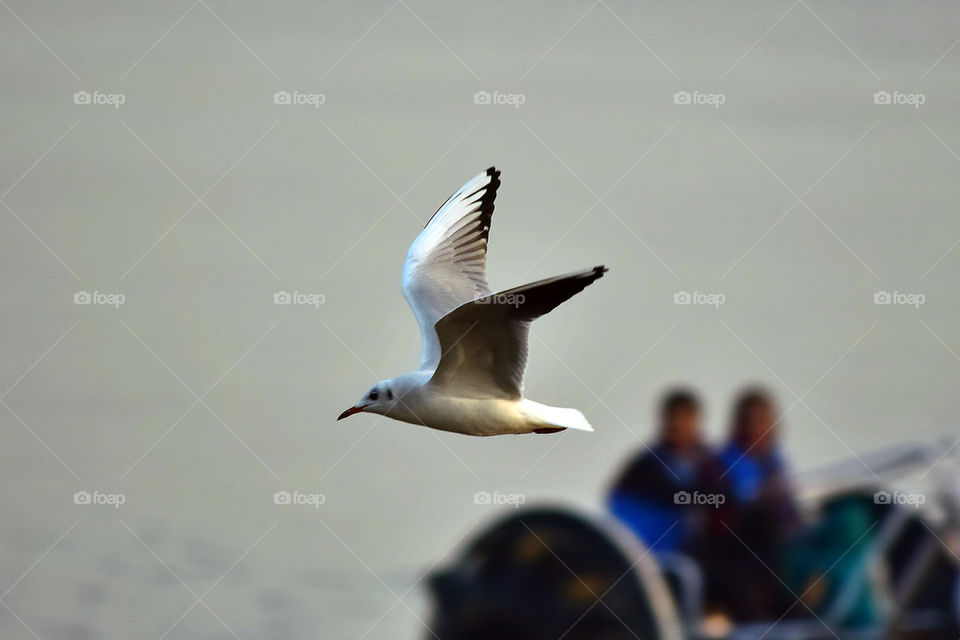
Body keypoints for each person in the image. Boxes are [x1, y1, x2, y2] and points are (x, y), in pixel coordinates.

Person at [712, 387, 800, 620]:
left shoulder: (775, 464)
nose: (755, 429)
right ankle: (781, 604)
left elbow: (792, 517)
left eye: (762, 422)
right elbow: (717, 516)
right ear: (738, 426)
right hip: (735, 548)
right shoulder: (719, 464)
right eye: (749, 422)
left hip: (779, 545)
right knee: (762, 516)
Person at [608, 389, 726, 557]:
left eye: (685, 417)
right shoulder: (645, 464)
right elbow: (620, 504)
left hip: (701, 549)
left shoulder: (710, 463)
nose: (678, 424)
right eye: (674, 417)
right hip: (653, 551)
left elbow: (720, 498)